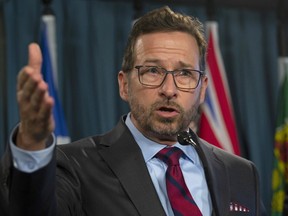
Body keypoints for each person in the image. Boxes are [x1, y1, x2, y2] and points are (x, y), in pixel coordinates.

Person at [0, 6, 266, 216]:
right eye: (153, 70)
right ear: (124, 85)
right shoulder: (73, 166)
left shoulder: (241, 172)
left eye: (185, 73)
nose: (169, 89)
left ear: (203, 88)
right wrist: (32, 143)